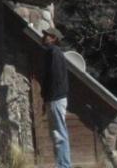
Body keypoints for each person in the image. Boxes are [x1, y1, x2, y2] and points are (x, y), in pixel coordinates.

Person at [42, 26, 71, 168]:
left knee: (59, 134)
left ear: (54, 38)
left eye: (48, 35)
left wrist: (50, 98)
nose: (44, 37)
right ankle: (62, 164)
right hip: (54, 98)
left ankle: (63, 165)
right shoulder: (52, 53)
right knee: (57, 133)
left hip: (56, 98)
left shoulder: (54, 53)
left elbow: (55, 77)